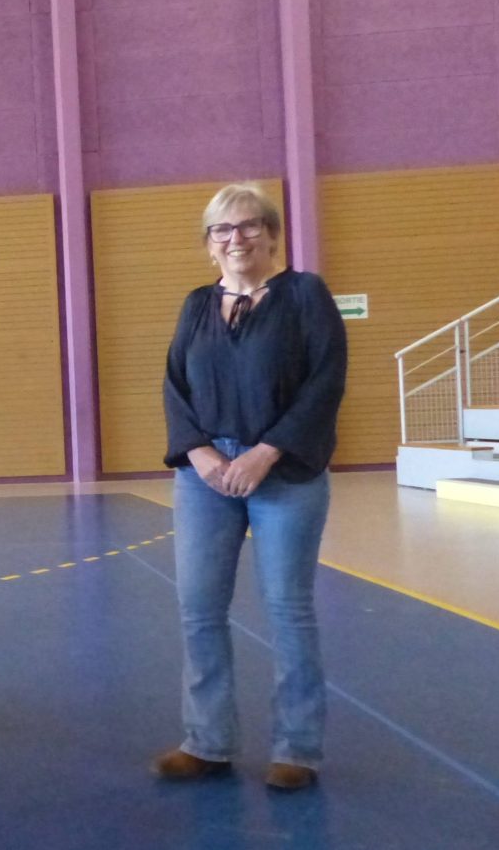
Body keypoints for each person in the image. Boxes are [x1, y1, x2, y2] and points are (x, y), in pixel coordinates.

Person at [155, 182, 347, 791]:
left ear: (271, 234)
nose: (235, 238)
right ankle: (207, 742)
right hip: (205, 476)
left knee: (288, 608)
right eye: (222, 229)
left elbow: (325, 382)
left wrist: (266, 452)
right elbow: (174, 386)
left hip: (284, 472)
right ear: (209, 243)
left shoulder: (305, 295)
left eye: (248, 225)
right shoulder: (196, 305)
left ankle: (298, 749)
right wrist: (200, 453)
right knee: (199, 608)